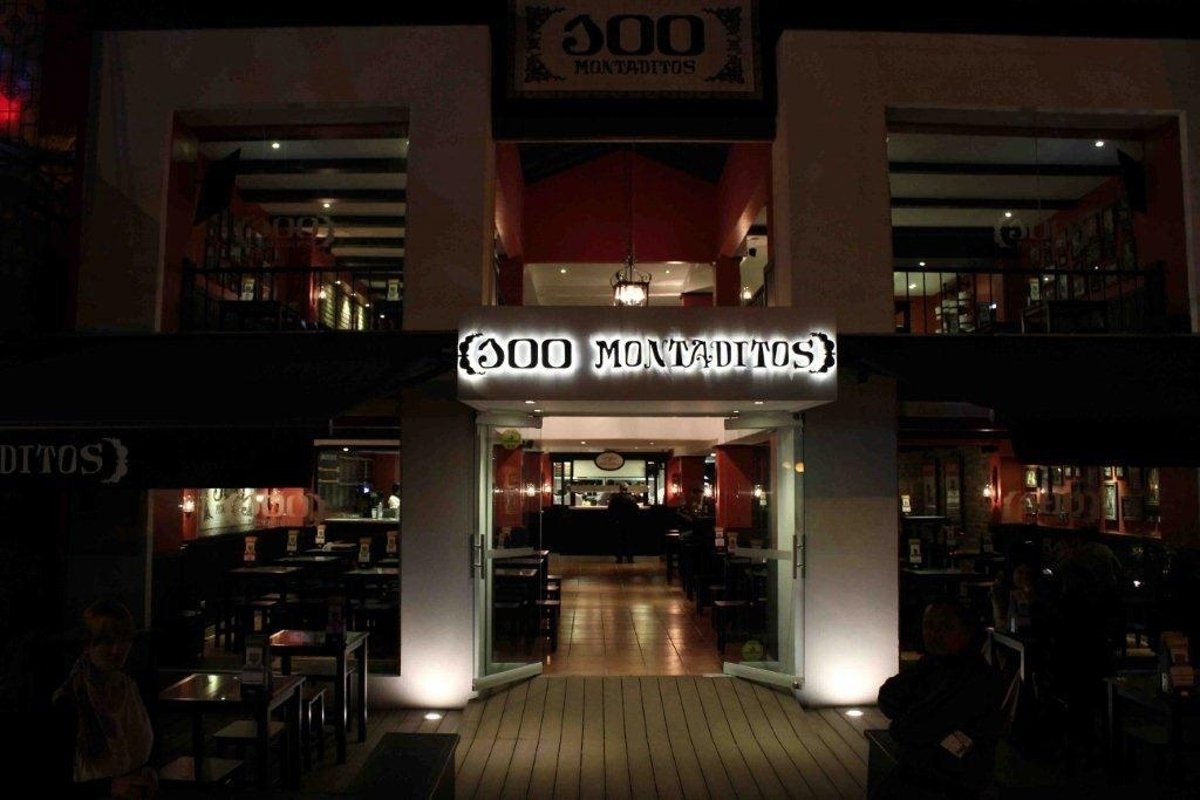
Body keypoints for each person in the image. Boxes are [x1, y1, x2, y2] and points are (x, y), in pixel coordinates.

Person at [876, 600, 1006, 798]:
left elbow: (923, 727)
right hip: (923, 770)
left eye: (946, 627)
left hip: (955, 781)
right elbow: (888, 696)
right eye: (929, 626)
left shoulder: (978, 678)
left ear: (966, 631)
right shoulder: (930, 665)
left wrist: (905, 722)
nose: (935, 634)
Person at [52, 599, 157, 799]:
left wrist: (150, 771)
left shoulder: (134, 690)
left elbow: (146, 749)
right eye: (106, 642)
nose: (117, 650)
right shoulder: (69, 700)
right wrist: (109, 787)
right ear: (87, 645)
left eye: (124, 640)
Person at [607, 482, 639, 564]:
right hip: (629, 522)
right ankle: (630, 558)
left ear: (620, 489)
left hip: (618, 522)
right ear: (627, 489)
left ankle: (619, 558)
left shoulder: (615, 498)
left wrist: (613, 519)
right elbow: (636, 510)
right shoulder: (631, 498)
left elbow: (610, 510)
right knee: (629, 540)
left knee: (619, 540)